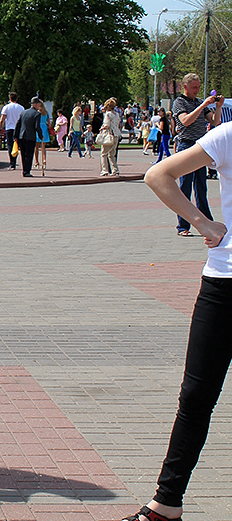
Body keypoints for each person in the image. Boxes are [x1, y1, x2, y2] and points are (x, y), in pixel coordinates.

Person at [124, 121, 232, 521]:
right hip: (223, 283)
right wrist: (203, 223)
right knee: (195, 397)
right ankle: (166, 505)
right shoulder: (229, 135)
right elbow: (158, 174)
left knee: (195, 399)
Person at [171, 73, 222, 236]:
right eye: (194, 87)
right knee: (185, 186)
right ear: (185, 87)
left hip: (201, 146)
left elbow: (215, 121)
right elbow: (185, 121)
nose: (197, 90)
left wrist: (218, 107)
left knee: (201, 187)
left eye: (199, 87)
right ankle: (183, 226)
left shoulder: (200, 102)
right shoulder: (179, 102)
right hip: (186, 145)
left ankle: (206, 221)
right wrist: (202, 106)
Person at [15, 97, 45, 177]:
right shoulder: (37, 114)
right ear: (35, 104)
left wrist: (16, 136)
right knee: (29, 154)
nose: (39, 106)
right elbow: (36, 126)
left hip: (22, 136)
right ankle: (27, 171)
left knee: (23, 154)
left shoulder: (23, 112)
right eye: (39, 104)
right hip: (30, 137)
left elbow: (18, 124)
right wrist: (41, 135)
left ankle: (25, 170)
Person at [0, 92, 24, 170]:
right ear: (16, 99)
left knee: (10, 146)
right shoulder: (21, 108)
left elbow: (2, 119)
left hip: (9, 128)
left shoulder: (6, 107)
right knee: (20, 146)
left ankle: (12, 164)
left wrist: (0, 128)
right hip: (19, 129)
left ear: (10, 99)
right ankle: (24, 164)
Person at [99, 98, 122, 177]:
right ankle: (115, 169)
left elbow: (107, 125)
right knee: (112, 153)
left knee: (103, 153)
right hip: (116, 134)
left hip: (109, 134)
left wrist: (102, 128)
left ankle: (104, 170)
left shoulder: (108, 114)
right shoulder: (116, 114)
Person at [33, 107, 50, 172]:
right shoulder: (46, 112)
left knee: (36, 146)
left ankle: (37, 161)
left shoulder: (37, 113)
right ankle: (44, 160)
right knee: (43, 146)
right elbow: (48, 122)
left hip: (38, 128)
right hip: (44, 127)